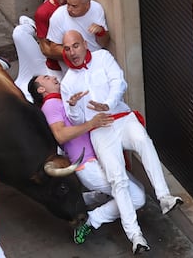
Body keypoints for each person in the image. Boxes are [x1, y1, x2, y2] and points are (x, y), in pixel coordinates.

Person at [60, 30, 183, 251]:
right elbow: (75, 120)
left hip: (121, 117)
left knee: (143, 141)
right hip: (100, 129)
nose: (72, 52)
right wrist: (73, 105)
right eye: (68, 49)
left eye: (75, 46)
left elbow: (120, 83)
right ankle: (135, 236)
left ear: (85, 45)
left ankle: (164, 196)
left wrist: (107, 104)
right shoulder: (68, 82)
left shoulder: (103, 57)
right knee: (118, 181)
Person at [27, 74, 148, 253]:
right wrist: (92, 123)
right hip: (89, 165)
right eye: (46, 78)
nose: (53, 77)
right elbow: (60, 135)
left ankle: (86, 200)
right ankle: (92, 220)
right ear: (41, 89)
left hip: (98, 160)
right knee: (137, 197)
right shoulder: (51, 105)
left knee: (133, 191)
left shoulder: (61, 101)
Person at [13, 0, 77, 101]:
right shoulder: (43, 12)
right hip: (55, 66)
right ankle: (28, 27)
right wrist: (72, 53)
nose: (61, 0)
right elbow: (45, 50)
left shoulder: (79, 6)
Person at [46, 0, 110, 60]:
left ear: (87, 5)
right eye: (68, 4)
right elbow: (54, 48)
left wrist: (101, 32)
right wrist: (75, 53)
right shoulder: (58, 16)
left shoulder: (97, 9)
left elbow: (104, 43)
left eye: (74, 6)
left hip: (97, 59)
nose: (69, 9)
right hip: (73, 65)